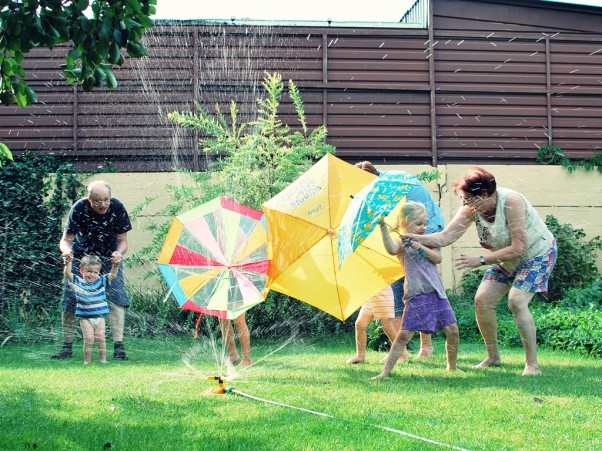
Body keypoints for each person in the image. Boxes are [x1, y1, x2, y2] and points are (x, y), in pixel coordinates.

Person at [403, 167, 556, 376]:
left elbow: (519, 247)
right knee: (482, 300)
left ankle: (532, 365)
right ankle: (493, 357)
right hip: (505, 258)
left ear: (484, 195)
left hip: (536, 255)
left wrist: (481, 260)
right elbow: (445, 237)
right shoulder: (472, 208)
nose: (464, 204)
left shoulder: (511, 202)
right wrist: (414, 238)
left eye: (467, 199)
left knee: (516, 301)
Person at [355, 161, 445, 358]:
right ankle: (403, 349)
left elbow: (408, 218)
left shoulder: (391, 186)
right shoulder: (391, 180)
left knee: (419, 290)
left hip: (425, 231)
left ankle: (423, 347)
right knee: (404, 292)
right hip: (411, 232)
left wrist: (417, 239)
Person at [371, 202, 460, 379]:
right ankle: (385, 372)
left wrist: (420, 246)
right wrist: (382, 227)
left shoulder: (428, 239)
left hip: (437, 294)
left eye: (424, 223)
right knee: (404, 335)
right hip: (417, 295)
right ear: (404, 223)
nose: (423, 227)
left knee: (453, 331)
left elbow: (437, 258)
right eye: (418, 224)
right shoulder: (401, 243)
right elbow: (391, 249)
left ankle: (452, 367)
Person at [52, 180, 133, 360]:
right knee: (70, 300)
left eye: (106, 200)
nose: (103, 204)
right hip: (81, 259)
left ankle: (119, 348)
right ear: (89, 199)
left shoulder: (118, 207)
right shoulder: (79, 208)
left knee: (116, 300)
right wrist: (67, 253)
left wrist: (118, 254)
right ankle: (67, 347)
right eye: (98, 201)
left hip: (109, 258)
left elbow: (123, 241)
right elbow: (65, 240)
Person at [63, 254, 120, 364]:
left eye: (95, 272)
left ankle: (103, 360)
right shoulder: (78, 282)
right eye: (89, 271)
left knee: (101, 339)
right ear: (81, 271)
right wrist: (68, 263)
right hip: (85, 317)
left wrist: (116, 265)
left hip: (100, 317)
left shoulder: (101, 281)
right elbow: (67, 273)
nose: (92, 275)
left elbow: (113, 274)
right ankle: (87, 361)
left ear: (99, 272)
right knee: (89, 339)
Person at [346, 285, 401, 364]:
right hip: (369, 296)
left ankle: (402, 353)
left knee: (387, 325)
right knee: (360, 324)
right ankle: (360, 356)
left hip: (382, 294)